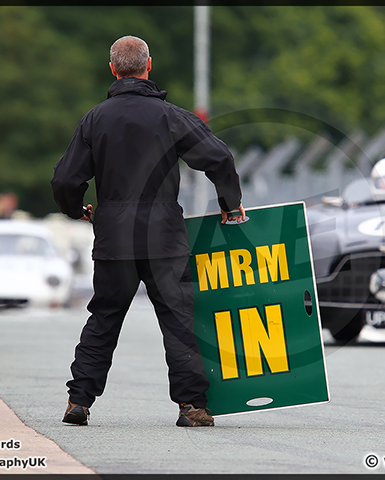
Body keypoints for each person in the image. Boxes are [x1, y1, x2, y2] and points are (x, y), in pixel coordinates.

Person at [51, 35, 245, 427]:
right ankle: (192, 407)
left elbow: (65, 179)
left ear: (112, 69)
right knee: (178, 322)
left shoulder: (95, 119)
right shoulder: (171, 117)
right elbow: (219, 157)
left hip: (114, 238)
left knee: (104, 317)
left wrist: (78, 211)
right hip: (164, 238)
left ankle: (79, 402)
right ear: (148, 66)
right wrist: (229, 204)